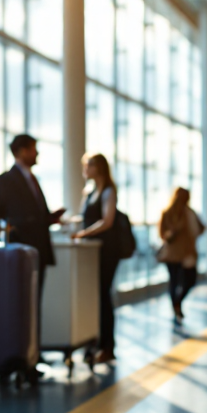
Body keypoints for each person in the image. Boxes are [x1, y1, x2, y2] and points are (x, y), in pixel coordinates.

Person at [0, 134, 65, 359]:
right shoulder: (3, 181)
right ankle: (17, 353)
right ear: (20, 151)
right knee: (17, 304)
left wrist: (49, 218)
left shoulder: (34, 180)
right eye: (33, 149)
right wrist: (7, 229)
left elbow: (34, 216)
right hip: (19, 252)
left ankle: (33, 353)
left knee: (35, 303)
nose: (36, 153)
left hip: (39, 250)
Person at [73, 153, 119, 365]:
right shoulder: (89, 192)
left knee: (102, 295)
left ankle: (107, 346)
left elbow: (107, 221)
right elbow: (85, 219)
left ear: (98, 168)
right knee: (93, 296)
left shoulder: (108, 191)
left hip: (106, 250)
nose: (85, 169)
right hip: (91, 252)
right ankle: (94, 341)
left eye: (88, 165)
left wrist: (83, 234)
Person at [156, 187, 205, 325]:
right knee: (174, 281)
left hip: (188, 253)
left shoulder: (190, 213)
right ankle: (176, 307)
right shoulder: (169, 213)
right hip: (173, 254)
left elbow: (201, 228)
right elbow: (162, 233)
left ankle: (177, 302)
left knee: (190, 280)